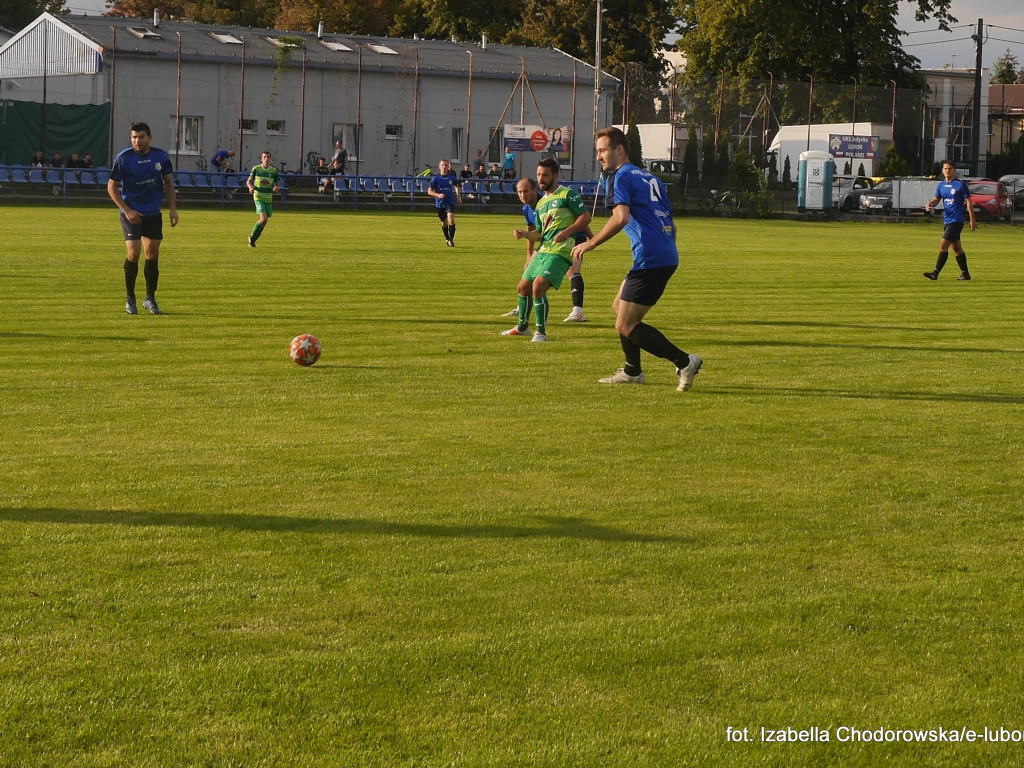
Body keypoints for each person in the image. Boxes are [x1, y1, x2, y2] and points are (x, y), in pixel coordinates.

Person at [571, 127, 702, 391]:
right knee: (619, 306)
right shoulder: (648, 177)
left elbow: (621, 218)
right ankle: (633, 371)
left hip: (651, 258)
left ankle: (684, 360)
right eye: (597, 151)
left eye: (603, 150)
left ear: (619, 149)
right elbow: (672, 226)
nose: (599, 156)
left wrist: (591, 242)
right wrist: (664, 249)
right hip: (664, 253)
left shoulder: (619, 177)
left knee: (625, 323)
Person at [503, 158, 591, 342]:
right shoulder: (542, 204)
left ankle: (540, 333)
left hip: (560, 252)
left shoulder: (568, 195)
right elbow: (540, 234)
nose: (541, 179)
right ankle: (522, 327)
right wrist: (525, 235)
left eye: (545, 175)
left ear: (555, 176)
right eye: (539, 175)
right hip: (544, 250)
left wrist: (568, 232)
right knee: (523, 287)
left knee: (539, 285)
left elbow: (585, 217)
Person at [107, 121, 178, 315]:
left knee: (152, 254)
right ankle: (130, 298)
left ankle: (150, 298)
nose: (137, 141)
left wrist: (173, 209)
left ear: (150, 138)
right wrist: (127, 210)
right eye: (133, 137)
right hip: (132, 213)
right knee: (133, 253)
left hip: (153, 212)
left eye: (141, 137)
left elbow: (169, 183)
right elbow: (111, 187)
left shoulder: (160, 156)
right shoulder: (123, 158)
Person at [923, 160, 977, 281]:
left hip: (956, 221)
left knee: (943, 245)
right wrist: (931, 203)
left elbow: (969, 202)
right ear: (943, 170)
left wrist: (972, 219)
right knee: (957, 249)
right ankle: (966, 274)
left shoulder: (960, 185)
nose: (947, 171)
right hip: (947, 221)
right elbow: (936, 199)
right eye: (945, 169)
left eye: (950, 169)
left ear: (954, 171)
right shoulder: (941, 185)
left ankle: (935, 273)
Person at [247, 150, 281, 248]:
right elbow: (249, 181)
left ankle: (253, 240)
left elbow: (278, 185)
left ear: (271, 159)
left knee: (265, 221)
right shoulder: (256, 169)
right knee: (263, 219)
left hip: (268, 198)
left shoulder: (273, 171)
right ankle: (252, 236)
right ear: (261, 159)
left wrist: (276, 188)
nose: (266, 159)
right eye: (264, 157)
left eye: (268, 157)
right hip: (258, 196)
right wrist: (250, 187)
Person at [427, 158, 461, 246]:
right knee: (444, 222)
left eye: (446, 165)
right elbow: (429, 191)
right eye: (442, 165)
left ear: (448, 167)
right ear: (439, 167)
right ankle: (447, 238)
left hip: (450, 201)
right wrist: (438, 195)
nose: (444, 167)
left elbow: (457, 186)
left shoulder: (452, 178)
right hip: (440, 203)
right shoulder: (435, 179)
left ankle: (451, 239)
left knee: (451, 218)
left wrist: (458, 196)